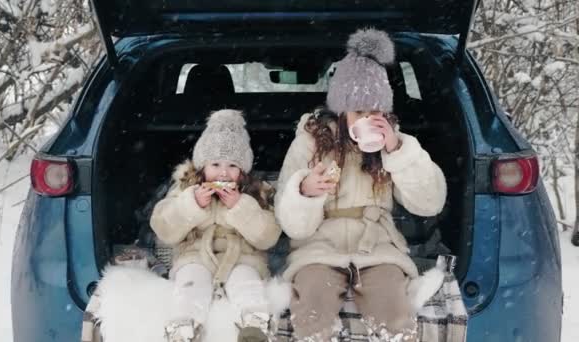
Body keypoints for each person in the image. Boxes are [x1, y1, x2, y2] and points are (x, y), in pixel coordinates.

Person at [274, 28, 447, 341]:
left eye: (375, 111)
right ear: (340, 111)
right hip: (318, 247)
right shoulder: (309, 143)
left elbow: (430, 202)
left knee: (394, 313)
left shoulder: (397, 144)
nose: (367, 119)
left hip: (378, 245)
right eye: (358, 112)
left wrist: (398, 151)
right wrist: (304, 193)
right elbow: (291, 225)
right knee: (312, 309)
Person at [151, 109, 282, 342]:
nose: (224, 172)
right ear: (201, 167)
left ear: (243, 171)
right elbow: (163, 227)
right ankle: (184, 328)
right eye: (215, 164)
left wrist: (241, 207)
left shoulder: (257, 192)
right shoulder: (185, 189)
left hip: (243, 256)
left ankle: (255, 326)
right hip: (194, 256)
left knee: (247, 283)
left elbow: (269, 236)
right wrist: (192, 204)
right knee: (190, 285)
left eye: (233, 165)